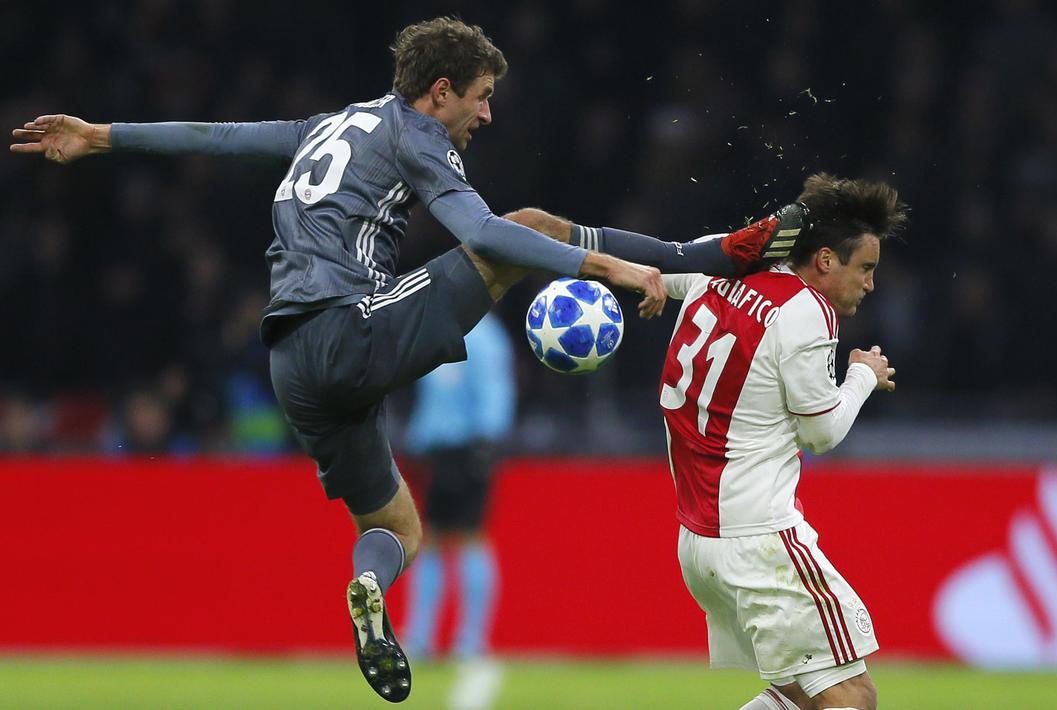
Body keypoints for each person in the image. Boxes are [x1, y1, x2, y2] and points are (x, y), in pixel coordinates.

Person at [10, 17, 676, 704]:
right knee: (524, 227)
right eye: (479, 95)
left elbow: (217, 138)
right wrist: (605, 267)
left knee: (395, 529)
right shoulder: (414, 135)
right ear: (439, 91)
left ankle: (368, 588)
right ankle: (658, 258)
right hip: (348, 326)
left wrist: (101, 135)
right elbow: (481, 230)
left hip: (289, 363)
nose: (486, 112)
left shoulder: (324, 127)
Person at [659, 173, 907, 710]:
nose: (870, 285)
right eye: (865, 269)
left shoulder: (724, 272)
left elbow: (662, 270)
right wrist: (862, 375)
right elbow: (820, 434)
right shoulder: (807, 311)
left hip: (698, 542)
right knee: (853, 696)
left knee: (797, 696)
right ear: (823, 260)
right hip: (761, 538)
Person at [400, 312, 512, 710]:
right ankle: (420, 638)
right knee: (426, 540)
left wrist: (486, 441)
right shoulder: (440, 330)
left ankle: (471, 640)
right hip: (433, 450)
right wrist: (416, 437)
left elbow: (496, 392)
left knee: (467, 537)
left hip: (468, 449)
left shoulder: (485, 337)